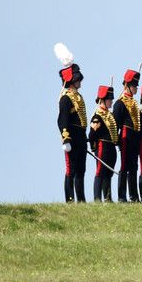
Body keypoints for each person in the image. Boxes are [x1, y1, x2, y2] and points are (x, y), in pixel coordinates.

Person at [55, 44, 87, 203]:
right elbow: (63, 120)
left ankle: (81, 199)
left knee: (81, 170)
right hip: (72, 138)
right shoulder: (65, 98)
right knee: (71, 170)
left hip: (81, 137)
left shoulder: (78, 97)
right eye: (76, 79)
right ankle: (69, 199)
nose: (79, 81)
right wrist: (66, 139)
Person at [112, 67, 142, 202]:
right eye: (134, 85)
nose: (136, 88)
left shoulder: (134, 103)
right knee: (124, 166)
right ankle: (122, 196)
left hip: (134, 136)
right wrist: (117, 139)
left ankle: (134, 195)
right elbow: (116, 123)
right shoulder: (120, 103)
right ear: (127, 86)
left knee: (134, 167)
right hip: (126, 136)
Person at [88, 85, 119, 203]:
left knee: (109, 174)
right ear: (103, 100)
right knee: (100, 173)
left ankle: (108, 198)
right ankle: (97, 199)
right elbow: (92, 136)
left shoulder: (110, 115)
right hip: (102, 147)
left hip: (111, 147)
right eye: (109, 99)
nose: (111, 101)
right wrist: (94, 148)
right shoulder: (97, 117)